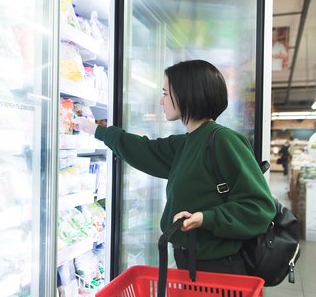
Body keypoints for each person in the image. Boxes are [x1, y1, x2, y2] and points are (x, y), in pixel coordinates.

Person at [76, 60, 275, 275]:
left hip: (218, 269)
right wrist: (96, 131)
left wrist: (206, 218)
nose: (161, 101)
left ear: (186, 95)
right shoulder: (186, 143)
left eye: (165, 93)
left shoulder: (223, 141)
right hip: (189, 263)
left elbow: (260, 207)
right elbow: (143, 150)